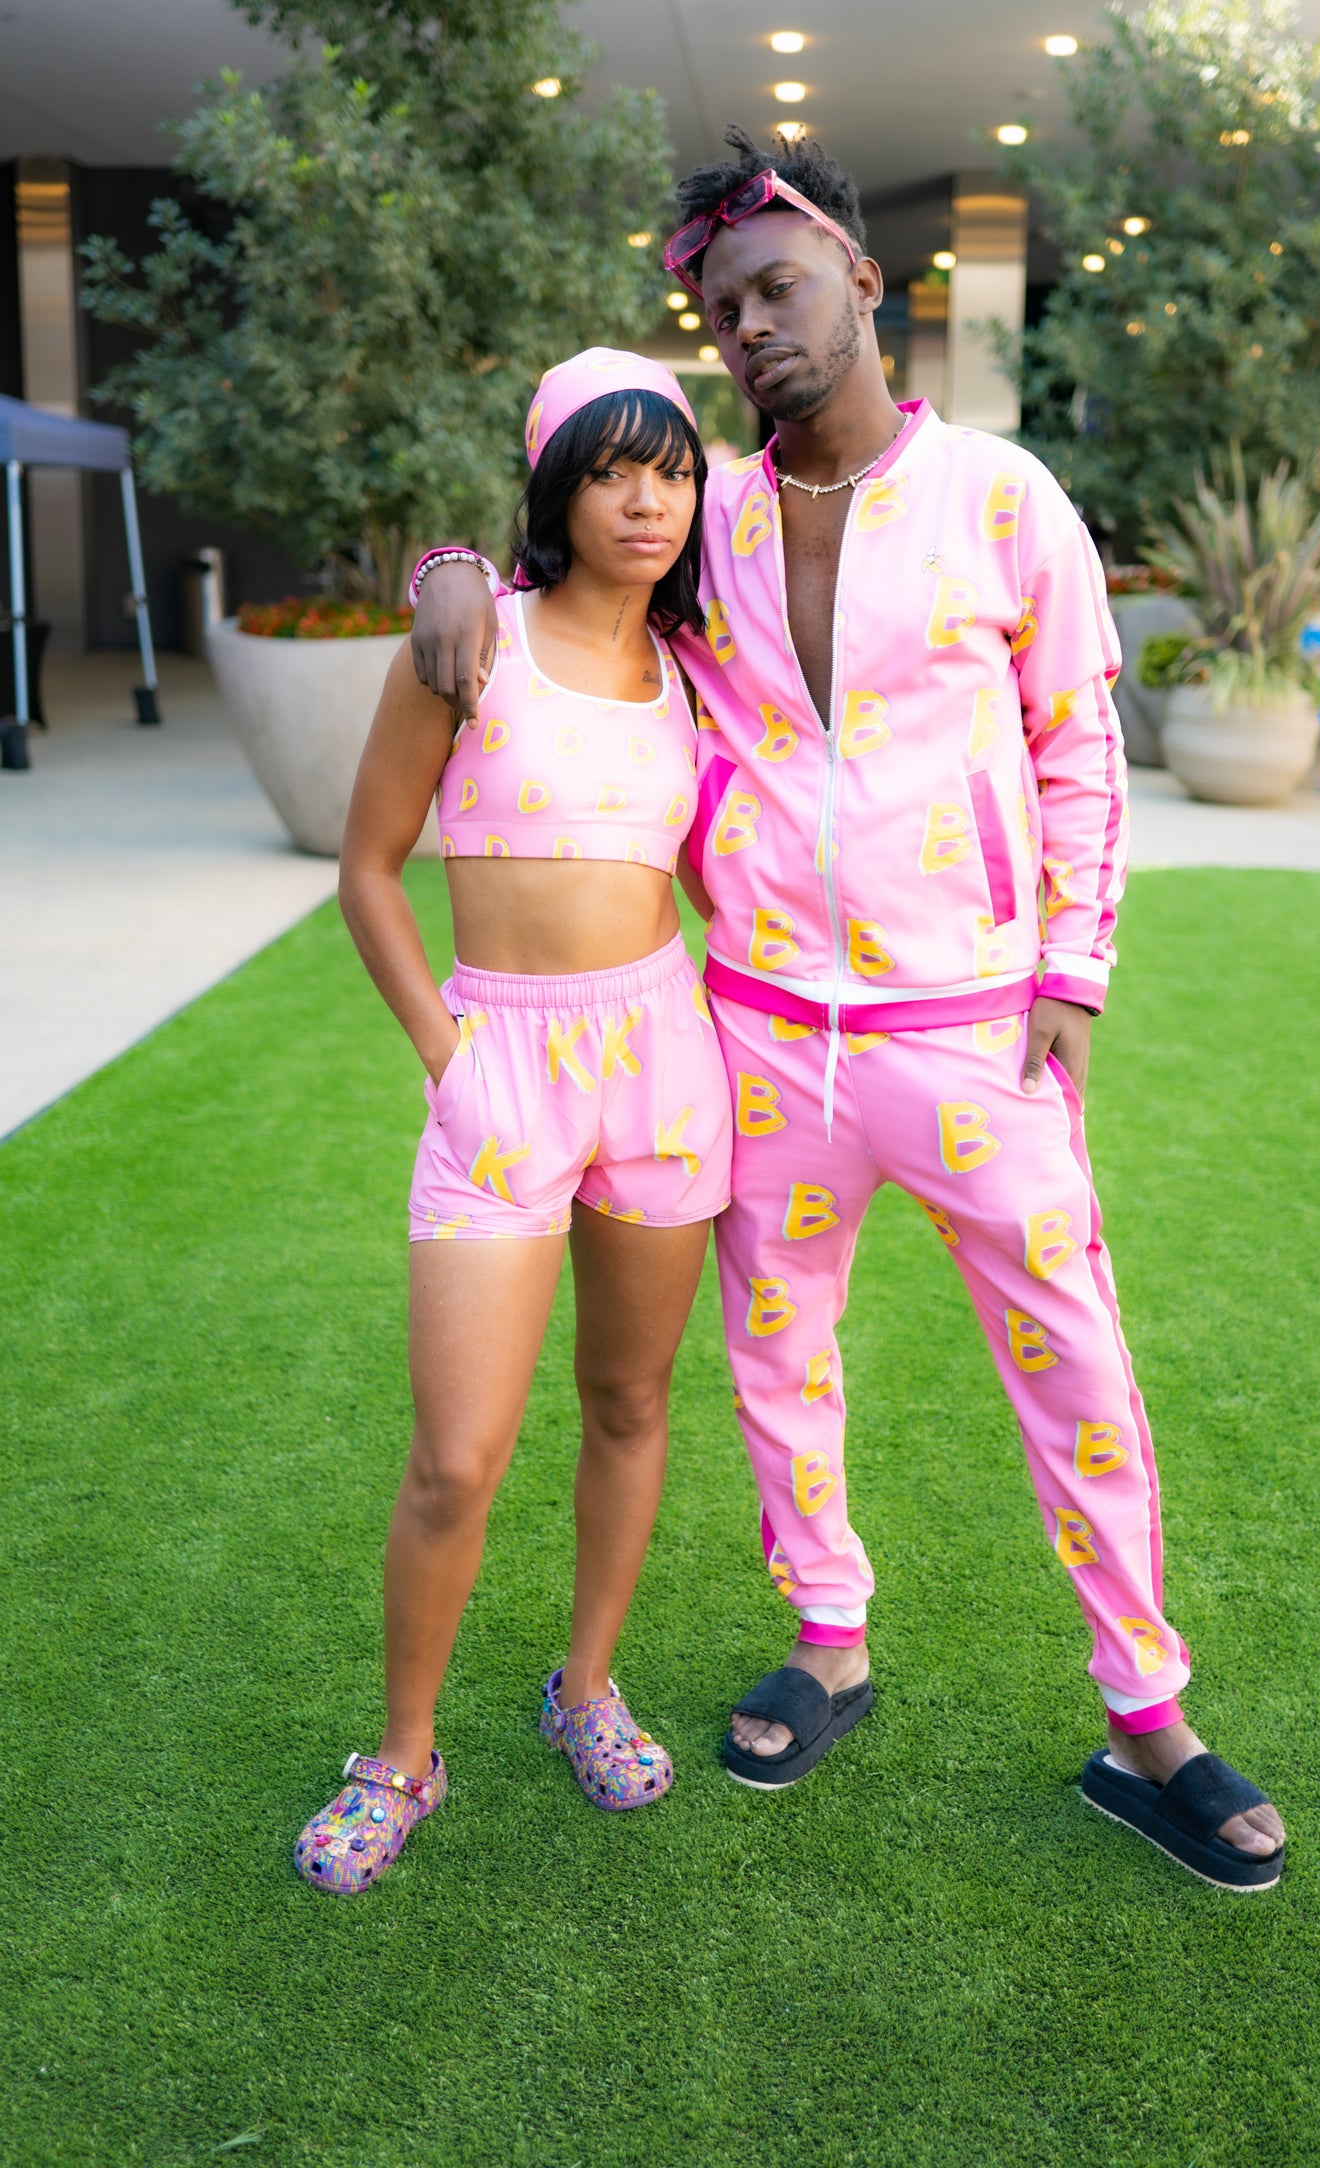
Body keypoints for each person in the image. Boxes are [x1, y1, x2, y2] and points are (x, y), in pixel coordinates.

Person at [409, 134, 1286, 1890]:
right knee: (776, 1354)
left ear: (864, 285)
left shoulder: (1002, 498)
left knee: (1074, 1360)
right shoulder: (709, 520)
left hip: (966, 1030)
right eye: (722, 310)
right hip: (752, 1031)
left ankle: (1147, 1716)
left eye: (779, 288)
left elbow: (1077, 749)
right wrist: (447, 560)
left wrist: (1072, 974)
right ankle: (827, 1638)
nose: (750, 327)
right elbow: (560, 579)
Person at [295, 353, 731, 1893]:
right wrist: (445, 1054)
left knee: (629, 1399)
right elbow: (367, 866)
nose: (647, 501)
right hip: (502, 1069)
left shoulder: (703, 667)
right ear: (555, 489)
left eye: (673, 471)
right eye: (612, 470)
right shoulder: (470, 643)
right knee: (456, 1458)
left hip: (663, 1068)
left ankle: (585, 1686)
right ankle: (401, 1758)